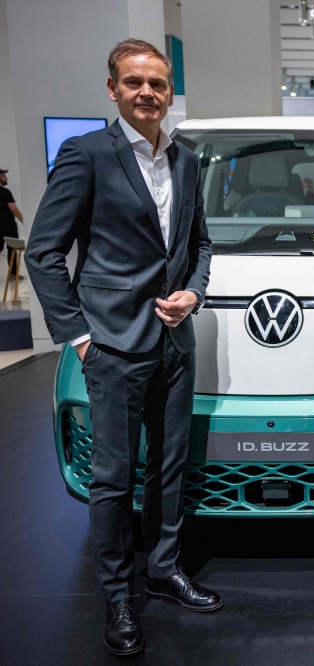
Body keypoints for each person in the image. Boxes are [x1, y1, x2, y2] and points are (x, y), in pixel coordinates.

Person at [25, 39, 219, 657]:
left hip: (172, 344)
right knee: (111, 479)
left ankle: (163, 570)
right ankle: (117, 594)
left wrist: (194, 292)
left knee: (168, 467)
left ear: (169, 92)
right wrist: (80, 338)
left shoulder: (187, 162)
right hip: (110, 346)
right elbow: (43, 252)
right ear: (112, 89)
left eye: (157, 84)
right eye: (134, 82)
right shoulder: (85, 156)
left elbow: (202, 247)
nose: (146, 93)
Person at [0, 168, 24, 276]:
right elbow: (13, 209)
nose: (6, 178)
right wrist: (24, 221)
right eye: (3, 176)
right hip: (8, 227)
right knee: (12, 250)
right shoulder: (5, 192)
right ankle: (13, 273)